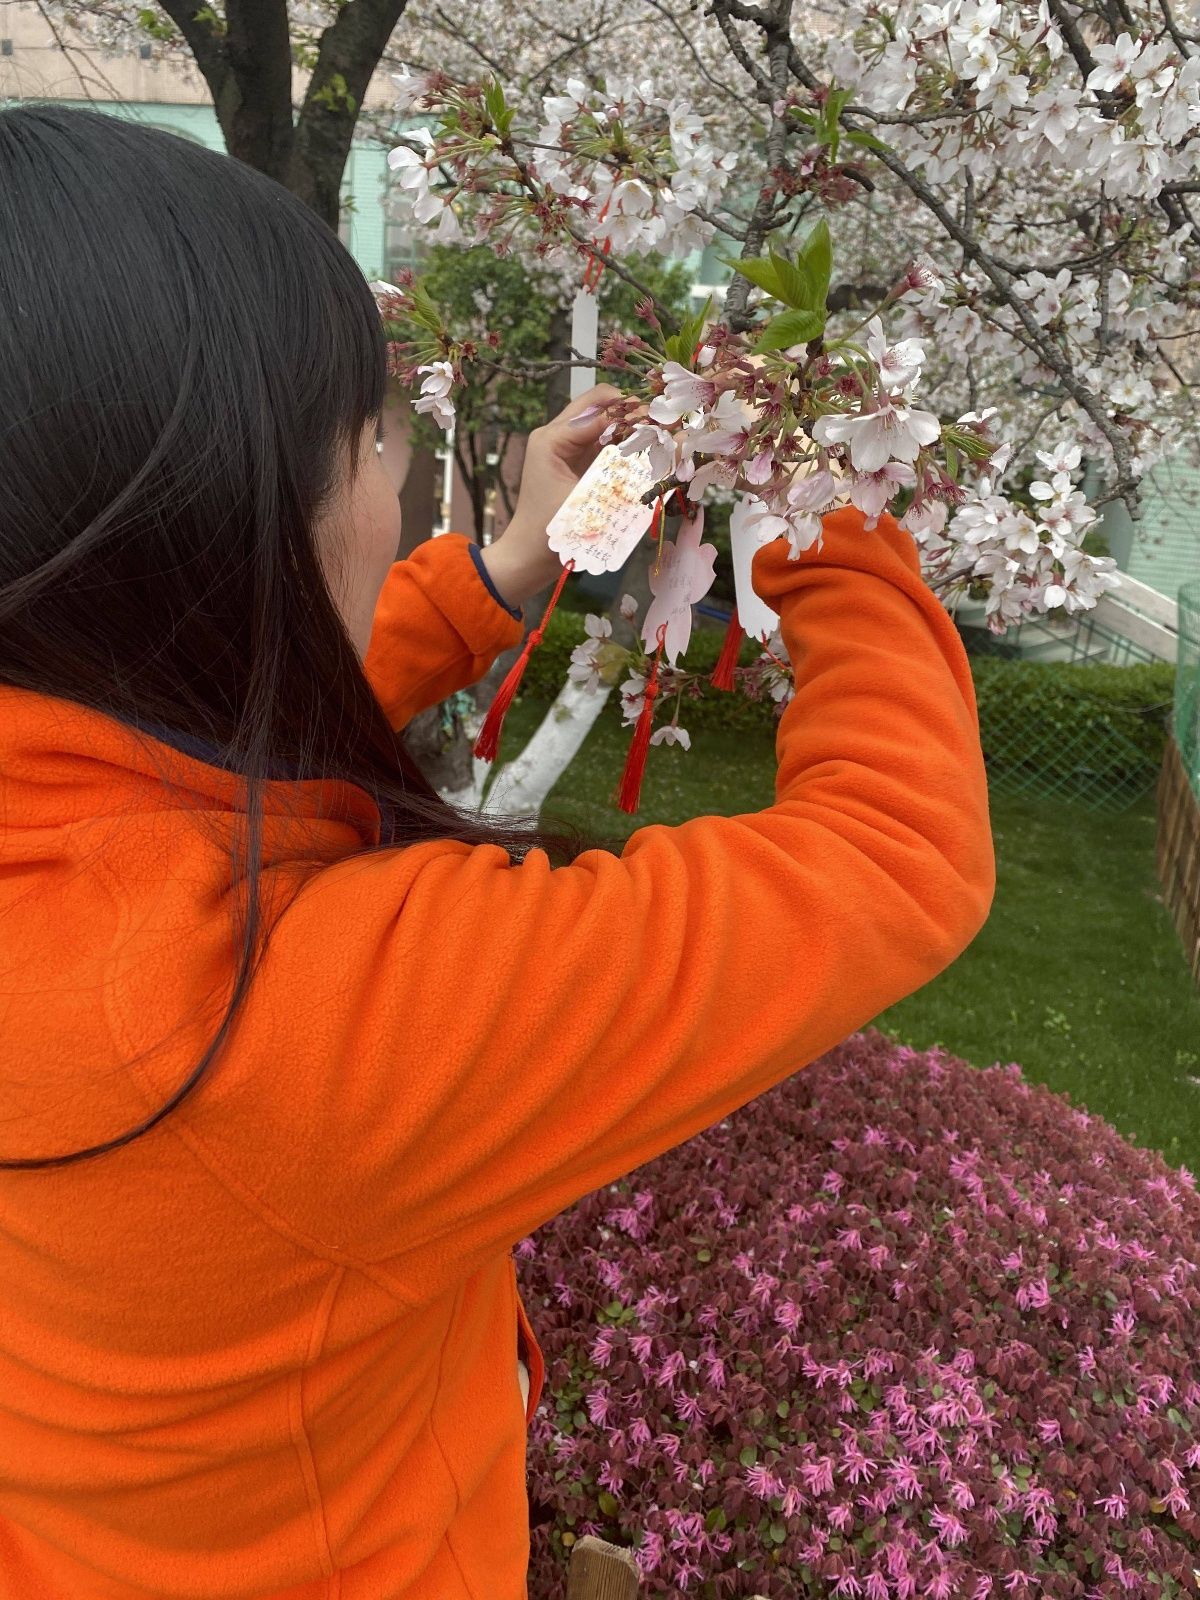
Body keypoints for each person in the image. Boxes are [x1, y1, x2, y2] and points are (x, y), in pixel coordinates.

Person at [0, 104, 994, 1600]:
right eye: (372, 435)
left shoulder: (64, 819)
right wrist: (824, 503)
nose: (395, 480)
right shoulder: (278, 1026)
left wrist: (515, 562)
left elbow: (216, 705)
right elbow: (897, 848)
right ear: (238, 517)